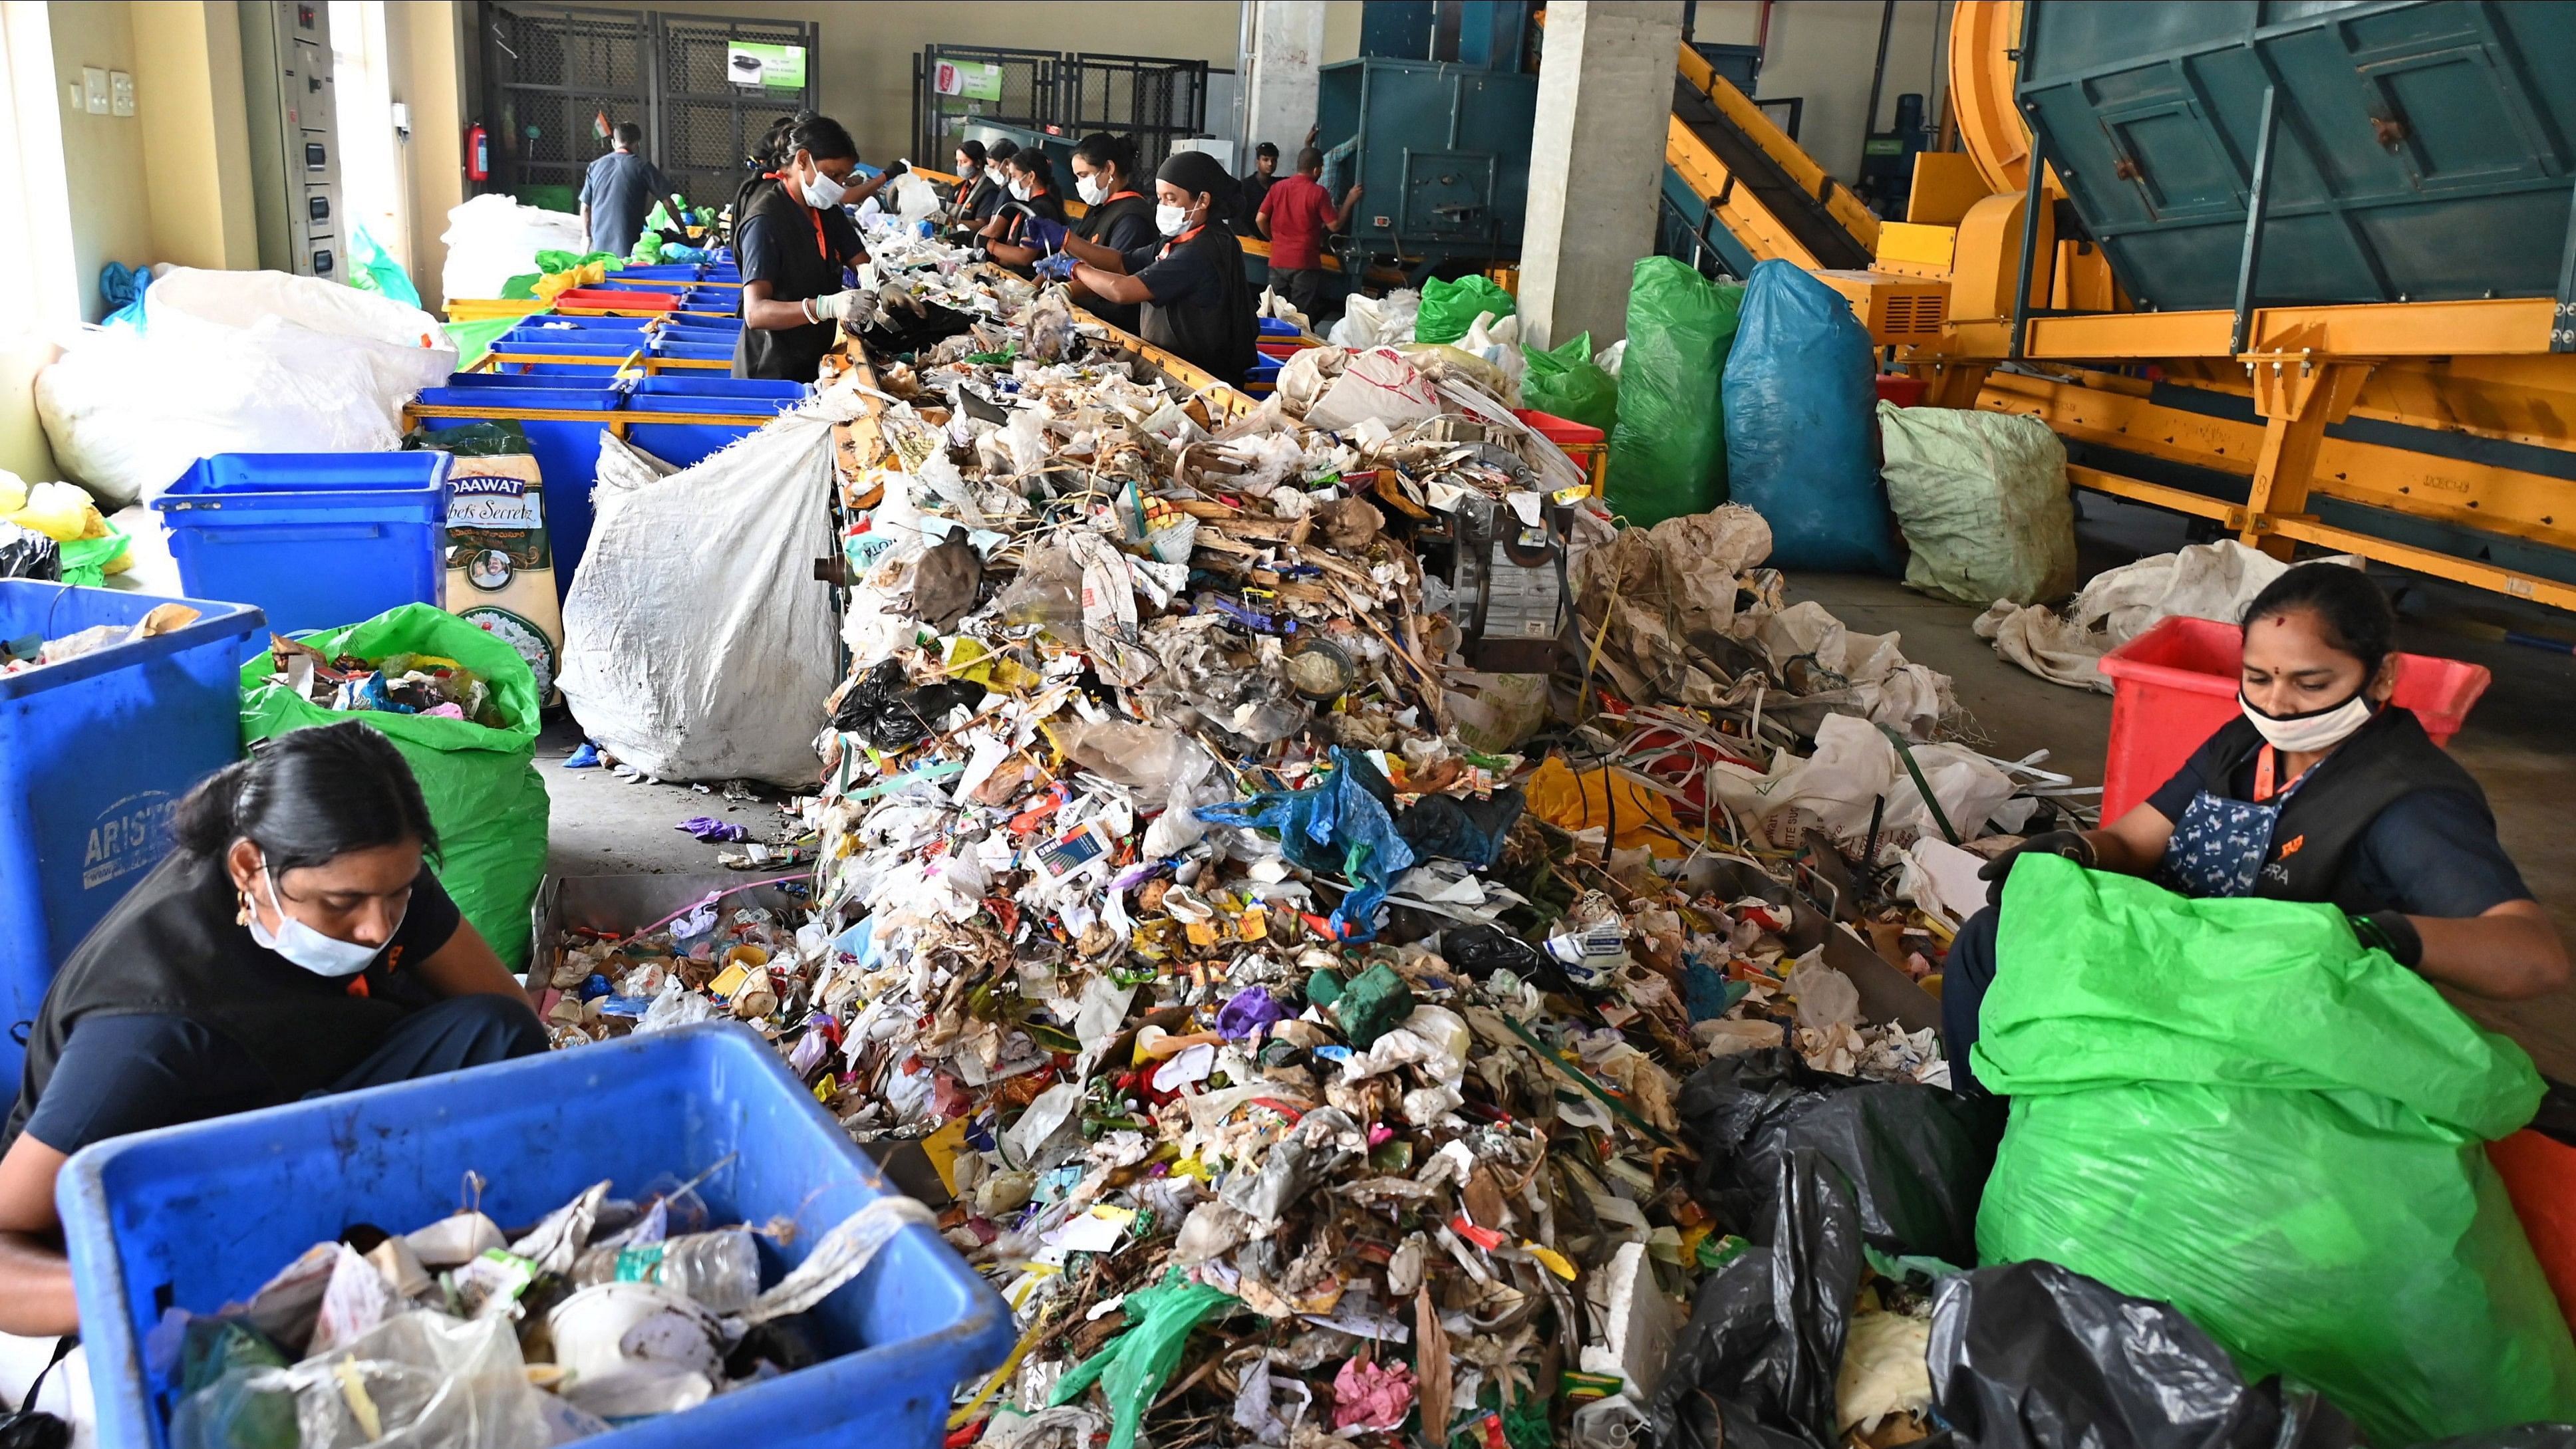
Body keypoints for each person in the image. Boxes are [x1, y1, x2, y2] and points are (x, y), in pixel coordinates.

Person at [0, 722, 547, 1337]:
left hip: (296, 1103)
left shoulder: (364, 874)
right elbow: (7, 1237)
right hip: (193, 1188)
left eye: (399, 893)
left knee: (497, 1037)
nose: (376, 929)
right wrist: (159, 1291)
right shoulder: (147, 1030)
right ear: (246, 867)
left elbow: (515, 1031)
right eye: (342, 904)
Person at [1945, 563, 2569, 1094]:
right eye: (2259, 678)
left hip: (2282, 1020)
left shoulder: (2405, 796)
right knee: (1991, 941)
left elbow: (2532, 956)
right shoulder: (2243, 745)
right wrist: (2079, 848)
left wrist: (2381, 937)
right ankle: (1987, 1122)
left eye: (2310, 683)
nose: (2276, 704)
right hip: (2193, 971)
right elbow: (2136, 840)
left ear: (2381, 676)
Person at [731, 114, 901, 382]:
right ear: (802, 160)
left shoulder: (825, 211)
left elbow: (861, 262)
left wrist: (884, 284)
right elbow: (756, 312)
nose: (840, 185)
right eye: (834, 175)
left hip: (812, 359)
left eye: (844, 177)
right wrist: (825, 307)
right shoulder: (765, 221)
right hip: (770, 372)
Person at [1069, 149, 1257, 385]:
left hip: (1199, 382)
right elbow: (1121, 262)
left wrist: (1075, 269)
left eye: (1171, 198)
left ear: (1203, 200)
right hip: (1175, 368)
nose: (1163, 206)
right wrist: (1067, 241)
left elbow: (1122, 290)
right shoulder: (1182, 239)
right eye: (1160, 198)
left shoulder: (1201, 251)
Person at [1042, 132, 1159, 332]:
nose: (1079, 184)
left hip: (1114, 327)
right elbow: (1070, 255)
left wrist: (1065, 290)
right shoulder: (1099, 208)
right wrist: (1037, 287)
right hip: (1087, 316)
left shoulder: (1132, 217)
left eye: (1084, 175)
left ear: (1109, 169)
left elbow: (1114, 273)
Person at [1255, 146, 1360, 321]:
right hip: (1305, 262)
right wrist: (1349, 201)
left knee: (1274, 313)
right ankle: (1296, 347)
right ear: (1316, 169)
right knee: (1300, 317)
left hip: (1278, 259)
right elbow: (1334, 226)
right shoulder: (1318, 193)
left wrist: (1274, 238)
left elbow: (1260, 219)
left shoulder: (1278, 188)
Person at [579, 122, 674, 260]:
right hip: (628, 241)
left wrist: (586, 237)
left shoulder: (595, 166)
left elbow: (586, 207)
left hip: (600, 240)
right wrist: (683, 230)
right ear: (638, 144)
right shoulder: (642, 166)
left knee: (605, 274)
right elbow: (669, 203)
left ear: (613, 143)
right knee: (627, 274)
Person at [976, 148, 1070, 274]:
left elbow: (1025, 256)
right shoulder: (1034, 204)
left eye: (1014, 176)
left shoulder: (1040, 209)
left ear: (1031, 176)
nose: (1011, 182)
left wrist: (988, 244)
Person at [946, 138, 1002, 233]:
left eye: (964, 162)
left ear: (978, 163)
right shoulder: (958, 188)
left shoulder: (990, 191)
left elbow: (982, 225)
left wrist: (951, 221)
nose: (959, 166)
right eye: (958, 162)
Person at [1234, 141, 1279, 235]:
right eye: (1266, 160)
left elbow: (1303, 177)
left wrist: (1308, 145)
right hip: (1250, 243)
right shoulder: (1245, 186)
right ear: (1257, 162)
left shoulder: (1279, 185)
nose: (1270, 164)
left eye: (1274, 160)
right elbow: (1235, 217)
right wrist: (1248, 235)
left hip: (1272, 241)